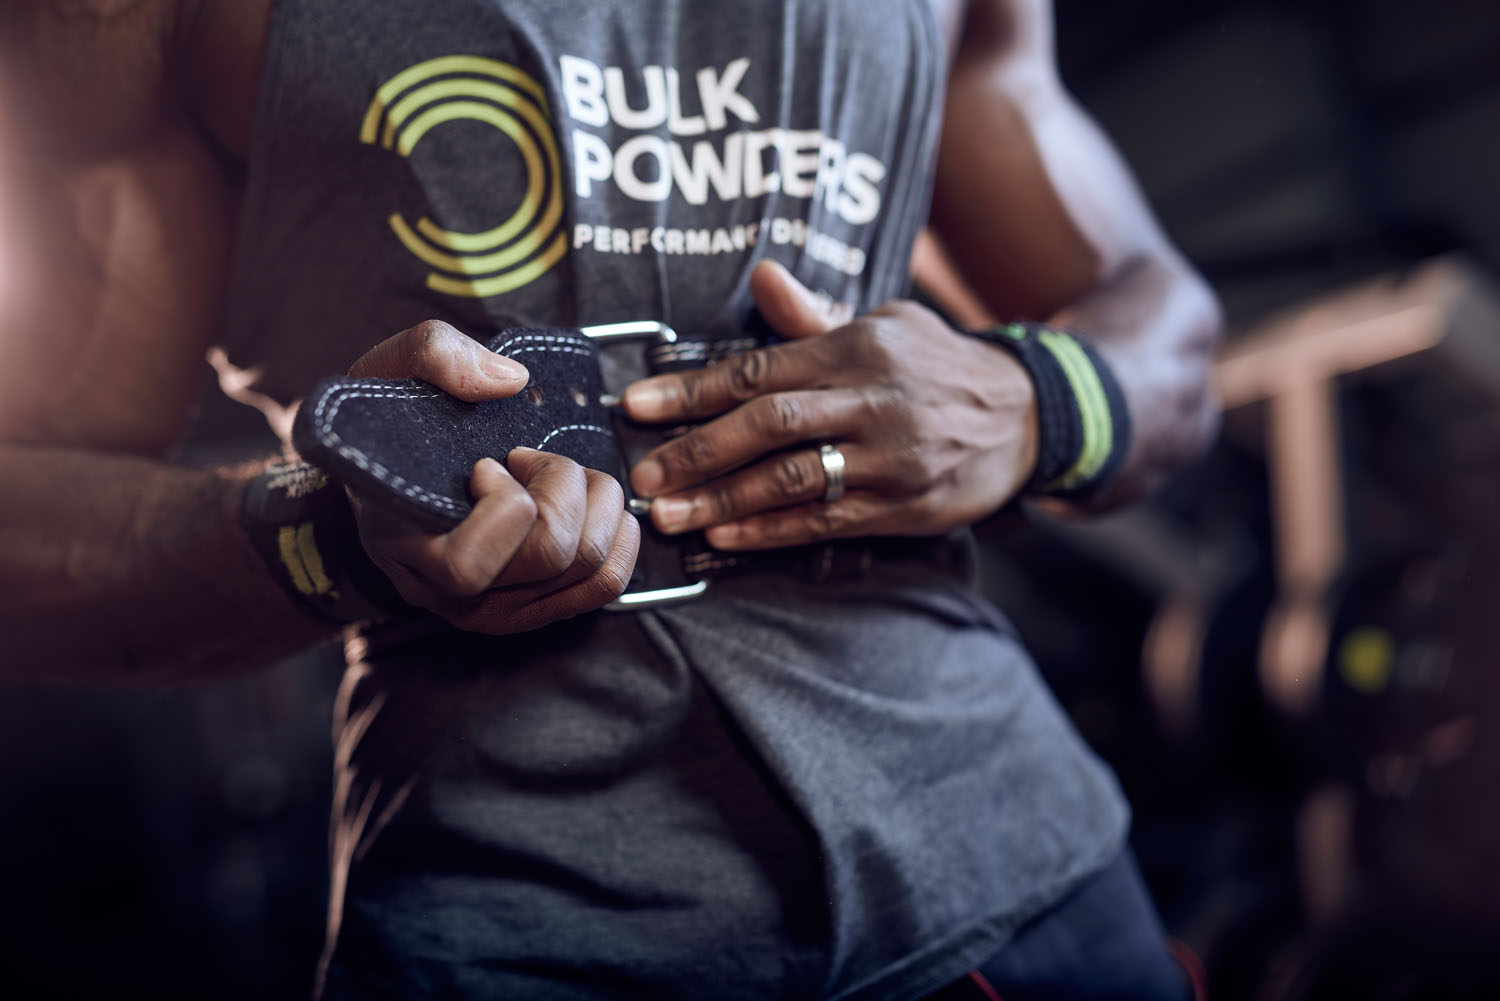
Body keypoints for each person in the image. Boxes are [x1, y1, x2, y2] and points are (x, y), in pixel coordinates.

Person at [0, 0, 1221, 998]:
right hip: (528, 910)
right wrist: (335, 533)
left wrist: (1040, 398)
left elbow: (1162, 318)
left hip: (1021, 863)